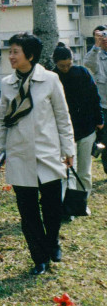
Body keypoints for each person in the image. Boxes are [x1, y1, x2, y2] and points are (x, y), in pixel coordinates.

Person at [0, 32, 75, 275]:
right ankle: (38, 257)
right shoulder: (7, 83)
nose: (11, 56)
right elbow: (1, 120)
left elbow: (62, 116)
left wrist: (68, 149)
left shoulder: (50, 80)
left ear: (30, 55)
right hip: (19, 155)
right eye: (10, 52)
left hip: (47, 153)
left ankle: (52, 242)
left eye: (15, 52)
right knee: (27, 212)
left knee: (52, 208)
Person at [52, 44, 102, 207]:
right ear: (56, 64)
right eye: (62, 66)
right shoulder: (52, 77)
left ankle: (82, 201)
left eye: (69, 65)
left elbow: (95, 97)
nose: (66, 68)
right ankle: (68, 205)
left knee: (84, 170)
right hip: (64, 131)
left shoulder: (82, 73)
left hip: (86, 128)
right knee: (67, 170)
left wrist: (99, 120)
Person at [83, 25, 107, 174]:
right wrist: (96, 46)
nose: (104, 39)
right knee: (106, 141)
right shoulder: (95, 55)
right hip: (104, 106)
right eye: (100, 36)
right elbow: (88, 63)